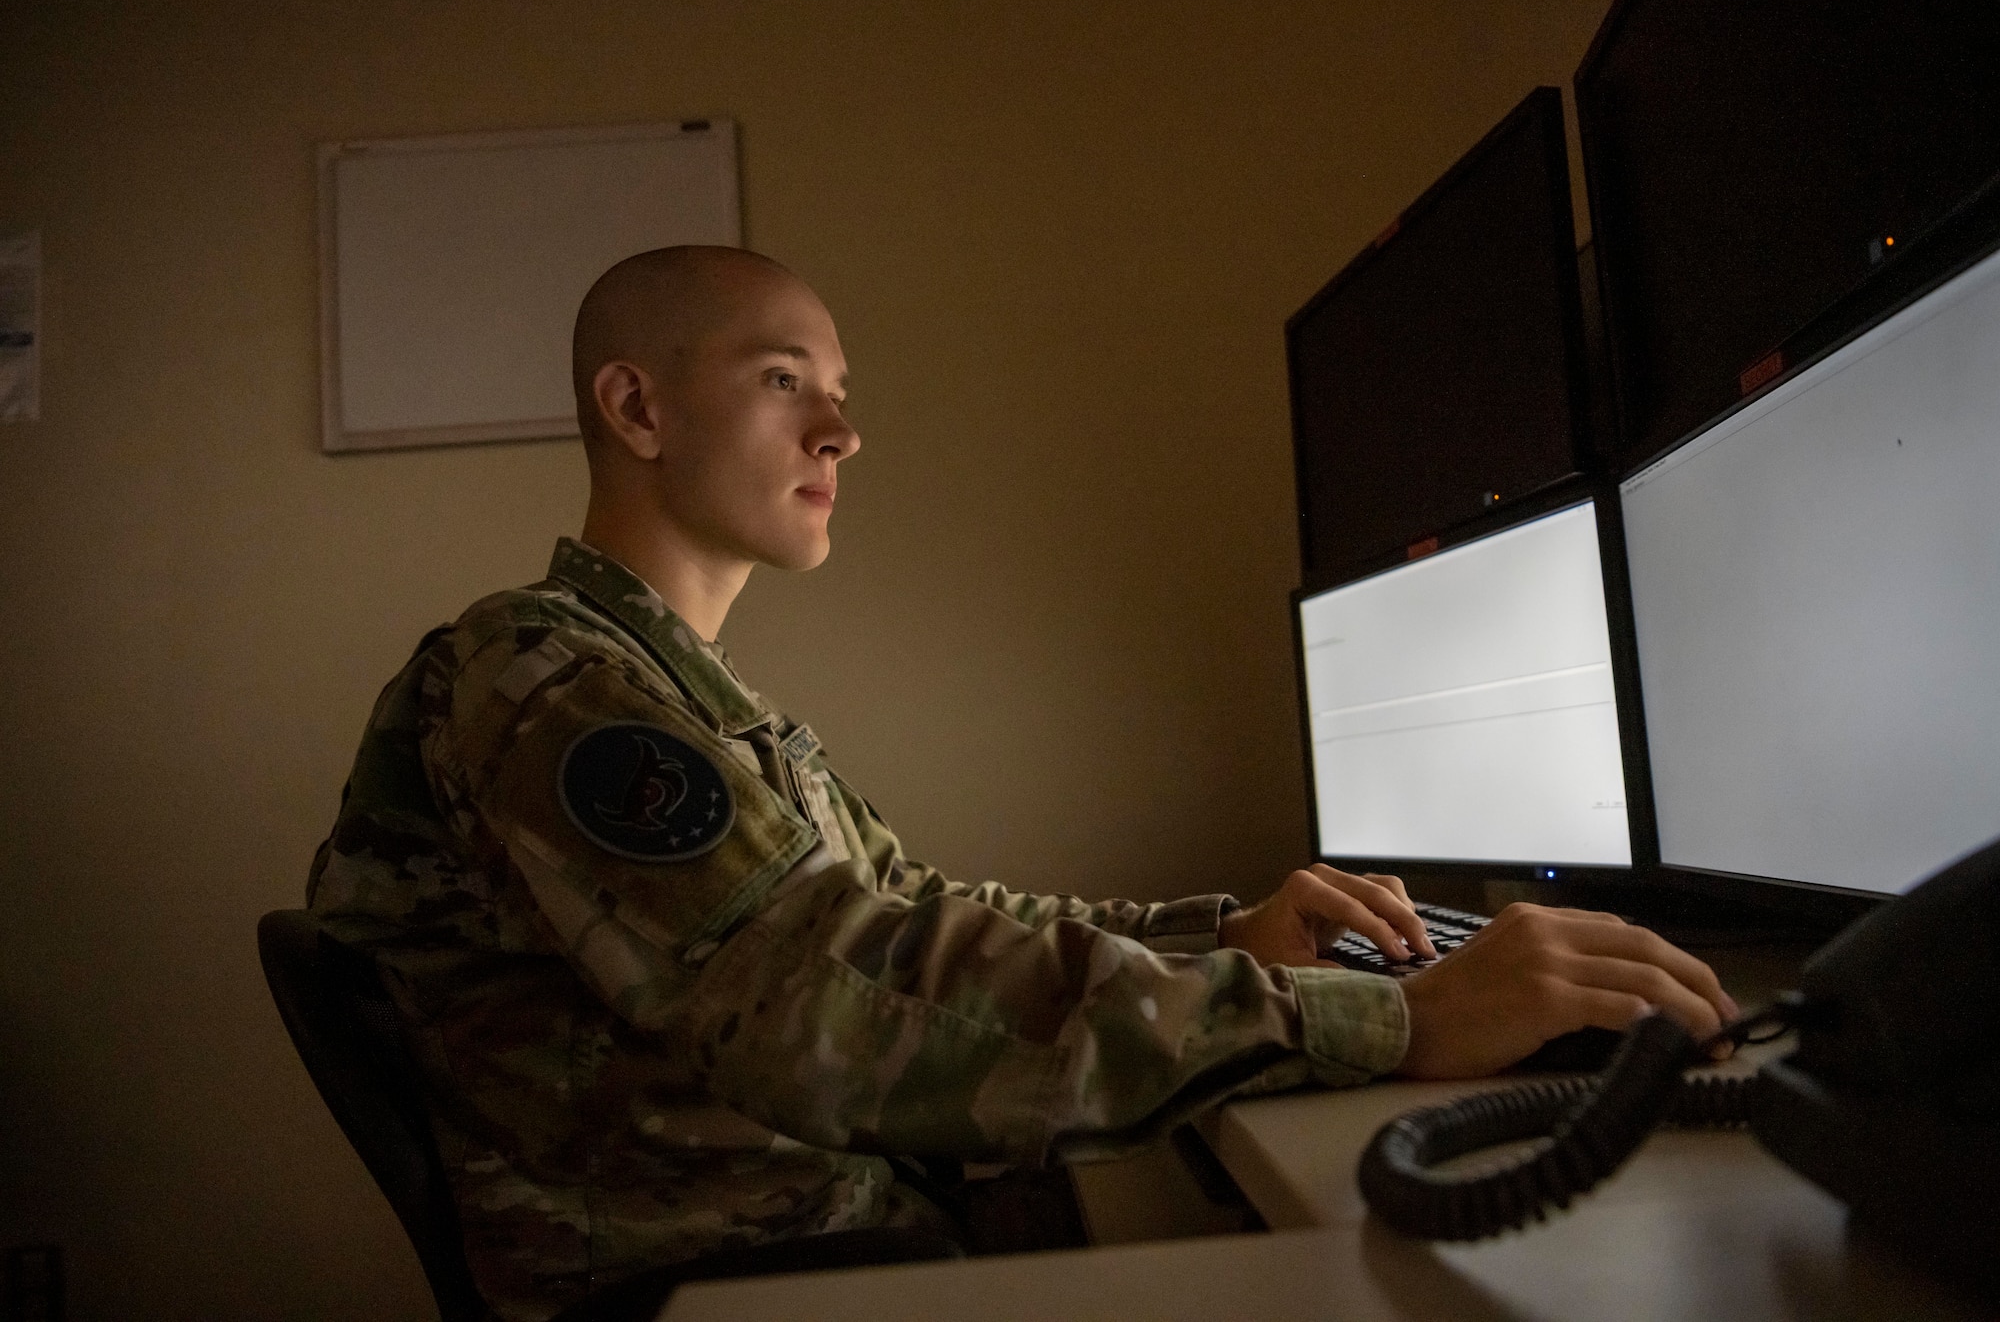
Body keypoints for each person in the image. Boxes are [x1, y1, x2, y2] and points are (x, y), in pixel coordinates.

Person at [308, 245, 1736, 1319]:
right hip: (733, 1274)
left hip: (826, 1233)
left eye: (843, 395)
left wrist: (1218, 936)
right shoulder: (546, 681)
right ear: (636, 405)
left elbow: (913, 915)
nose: (842, 433)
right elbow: (833, 1001)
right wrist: (1385, 1018)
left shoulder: (684, 692)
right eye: (784, 378)